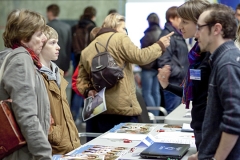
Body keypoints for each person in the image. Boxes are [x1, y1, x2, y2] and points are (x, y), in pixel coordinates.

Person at [77, 13, 173, 141]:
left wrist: (88, 90)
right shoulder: (120, 39)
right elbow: (141, 57)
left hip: (100, 109)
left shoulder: (87, 50)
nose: (125, 32)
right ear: (116, 27)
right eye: (124, 28)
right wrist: (160, 45)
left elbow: (81, 80)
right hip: (124, 108)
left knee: (106, 148)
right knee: (128, 147)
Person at [157, 0, 211, 158]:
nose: (180, 26)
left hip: (206, 130)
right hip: (200, 126)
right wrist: (166, 85)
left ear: (200, 22)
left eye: (185, 21)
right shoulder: (197, 52)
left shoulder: (211, 56)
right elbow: (196, 90)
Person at [0, 9, 52, 159]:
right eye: (39, 34)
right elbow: (26, 115)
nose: (44, 38)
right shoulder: (21, 60)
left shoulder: (14, 57)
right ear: (23, 38)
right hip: (21, 153)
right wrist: (44, 154)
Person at [195, 4, 240, 159]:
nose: (196, 34)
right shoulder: (222, 59)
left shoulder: (227, 63)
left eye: (199, 28)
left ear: (216, 29)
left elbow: (234, 118)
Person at [38, 25, 81, 154]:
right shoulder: (37, 77)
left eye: (57, 42)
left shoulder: (58, 73)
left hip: (70, 143)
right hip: (54, 146)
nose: (58, 47)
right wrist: (53, 133)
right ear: (40, 45)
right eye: (53, 43)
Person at [157, 6, 189, 114]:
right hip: (174, 82)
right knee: (173, 115)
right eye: (180, 19)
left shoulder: (179, 35)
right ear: (172, 18)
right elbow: (163, 60)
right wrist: (180, 72)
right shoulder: (167, 36)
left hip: (181, 83)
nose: (182, 23)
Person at [139, 13, 162, 116]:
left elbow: (143, 53)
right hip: (157, 67)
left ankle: (154, 115)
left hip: (147, 67)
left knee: (147, 92)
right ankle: (157, 114)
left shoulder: (148, 35)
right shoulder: (161, 33)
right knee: (155, 92)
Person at [47, 4, 72, 73]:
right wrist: (67, 65)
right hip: (64, 63)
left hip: (49, 63)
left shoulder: (47, 27)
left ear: (50, 12)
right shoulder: (67, 27)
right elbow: (68, 46)